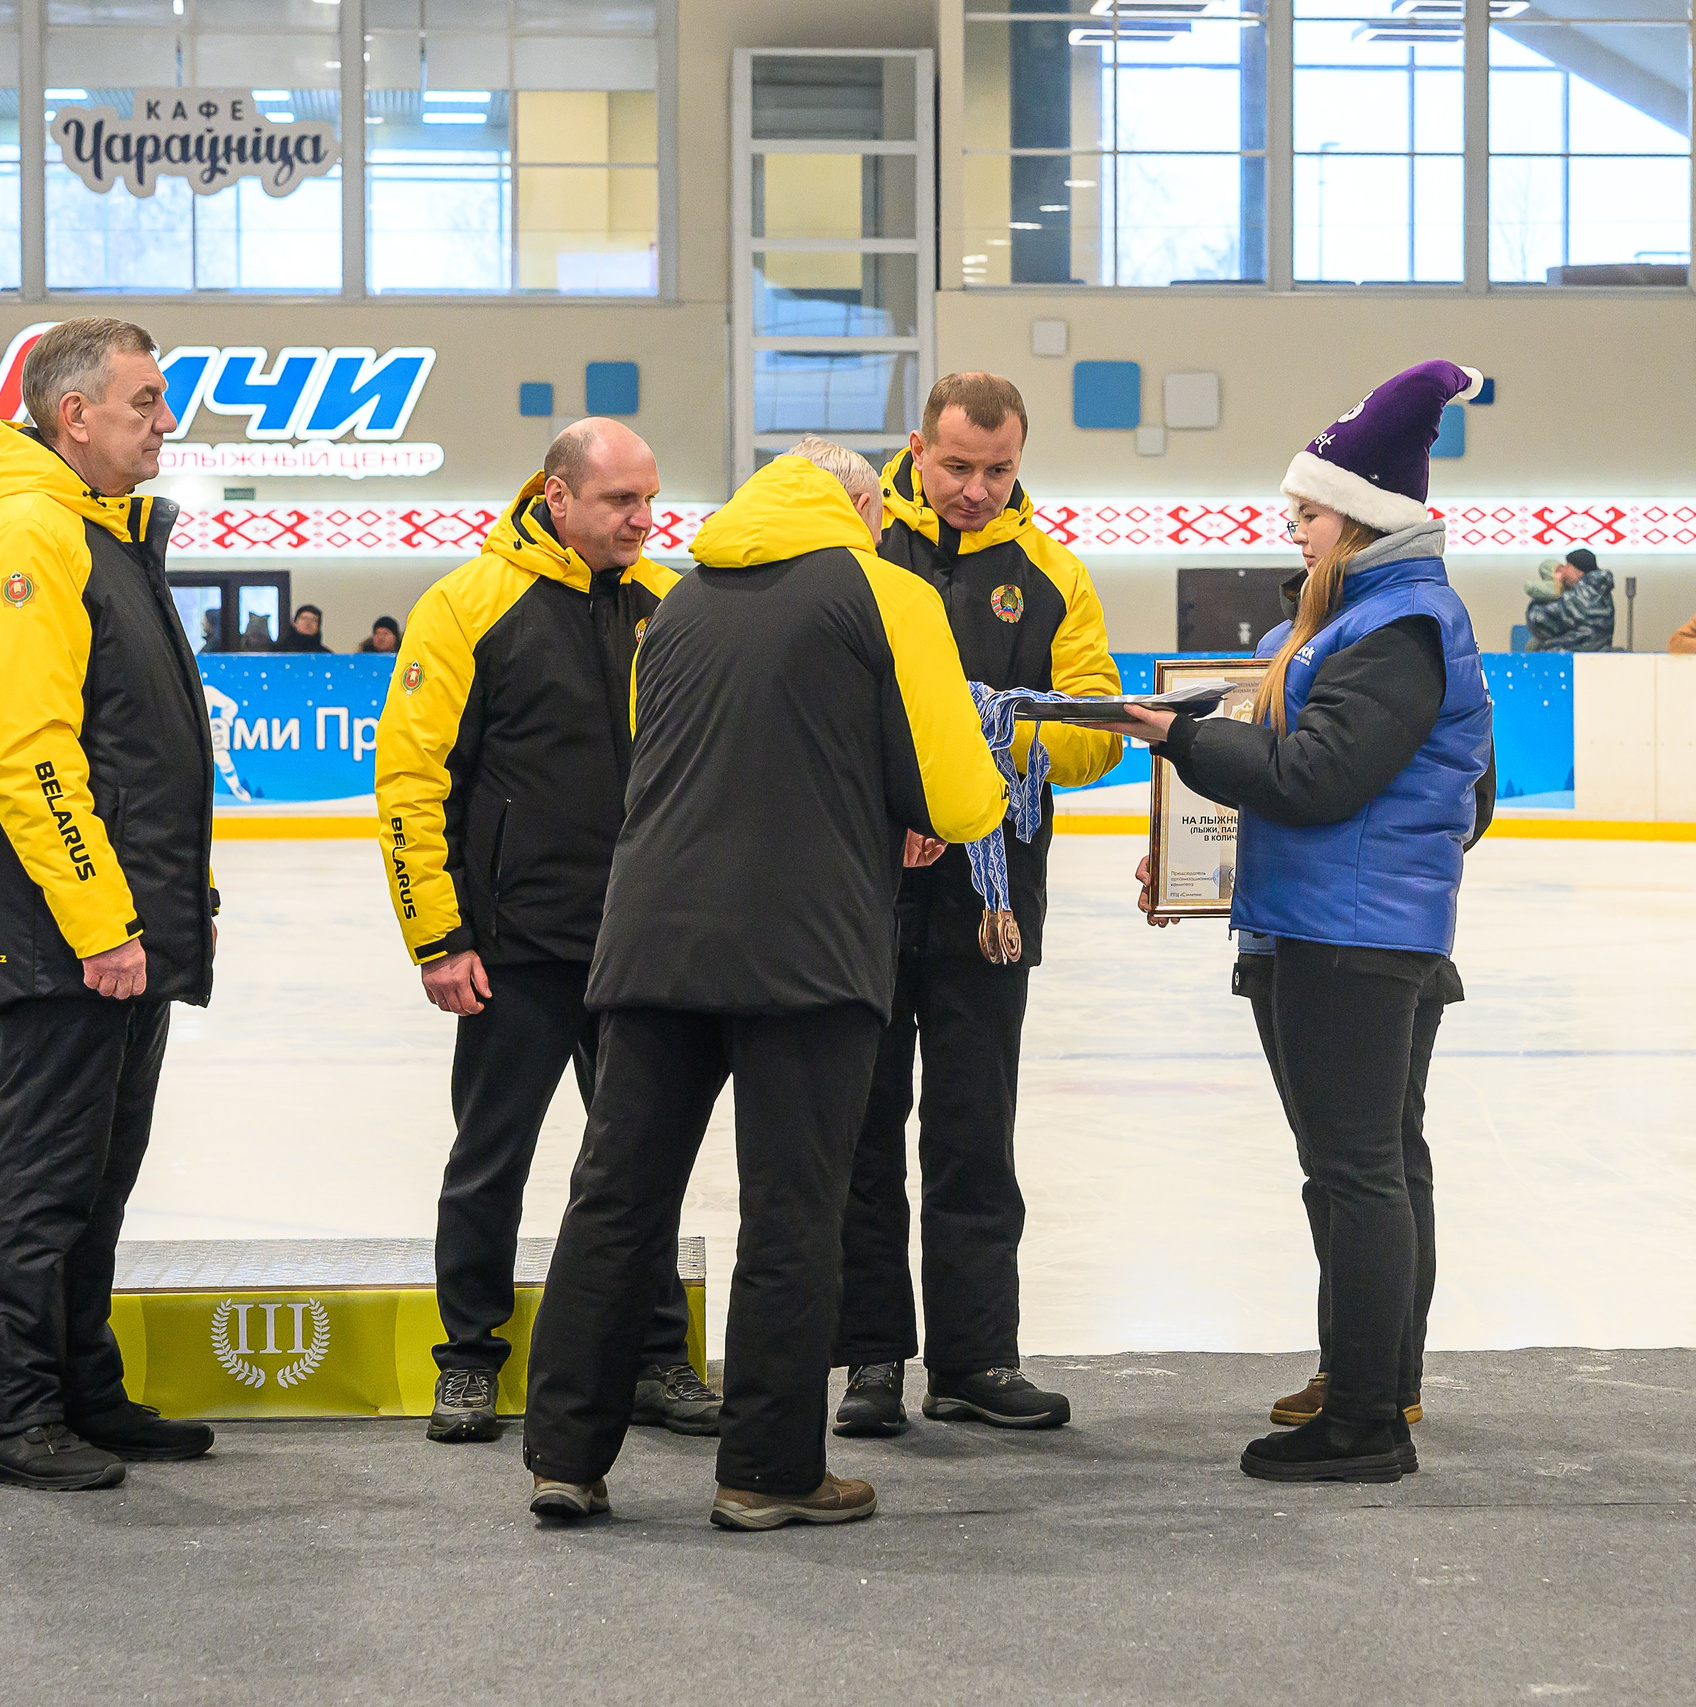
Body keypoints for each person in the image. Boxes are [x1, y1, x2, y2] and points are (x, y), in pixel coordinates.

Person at [519, 437, 1007, 1529]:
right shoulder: (888, 593)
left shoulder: (679, 600)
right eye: (879, 504)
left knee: (615, 1196)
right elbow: (962, 797)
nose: (886, 521)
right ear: (859, 504)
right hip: (808, 947)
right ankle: (768, 1472)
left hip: (651, 938)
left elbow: (676, 752)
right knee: (793, 1209)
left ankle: (563, 1453)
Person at [1107, 359, 1493, 1484]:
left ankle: (1366, 1418)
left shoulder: (1400, 625)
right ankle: (1374, 1375)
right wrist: (1191, 862)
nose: (1297, 529)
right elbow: (1459, 793)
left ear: (1365, 517)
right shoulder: (1367, 619)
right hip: (1343, 926)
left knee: (1356, 1170)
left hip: (1350, 942)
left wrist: (1171, 734)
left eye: (1311, 512)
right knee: (1369, 1166)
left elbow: (1319, 778)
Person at [372, 419, 718, 1446]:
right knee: (491, 1159)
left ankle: (656, 1357)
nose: (641, 521)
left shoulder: (673, 610)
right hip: (514, 950)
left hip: (641, 949)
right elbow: (409, 780)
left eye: (650, 500)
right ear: (557, 497)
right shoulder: (468, 605)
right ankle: (470, 1360)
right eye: (619, 501)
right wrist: (438, 937)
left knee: (637, 1165)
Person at [0, 317, 219, 1491]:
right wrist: (102, 921)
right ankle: (6, 1416)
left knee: (99, 1171)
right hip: (70, 938)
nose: (166, 421)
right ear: (75, 418)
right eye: (148, 401)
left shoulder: (106, 536)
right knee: (45, 1173)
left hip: (122, 934)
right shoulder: (30, 535)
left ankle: (76, 1388)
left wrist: (153, 918)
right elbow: (27, 750)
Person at [830, 373, 1120, 1440]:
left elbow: (1090, 731)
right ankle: (868, 1359)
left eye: (997, 469)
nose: (976, 489)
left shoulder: (1052, 574)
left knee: (971, 1135)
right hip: (858, 891)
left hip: (991, 901)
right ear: (917, 446)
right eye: (957, 466)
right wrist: (910, 788)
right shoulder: (856, 548)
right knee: (859, 1130)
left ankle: (973, 1359)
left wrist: (993, 743)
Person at [1521, 548, 1615, 652]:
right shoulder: (1598, 591)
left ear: (1579, 572)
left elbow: (1538, 620)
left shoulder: (1585, 595)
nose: (1564, 572)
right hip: (1591, 656)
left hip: (1572, 659)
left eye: (1568, 567)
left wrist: (1553, 586)